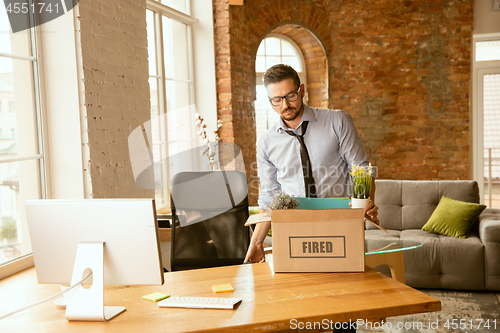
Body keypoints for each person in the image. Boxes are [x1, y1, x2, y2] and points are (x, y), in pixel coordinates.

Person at [245, 64, 379, 265]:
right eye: (277, 100)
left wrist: (366, 202)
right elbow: (270, 196)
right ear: (270, 101)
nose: (285, 105)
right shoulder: (266, 141)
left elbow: (360, 170)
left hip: (341, 224)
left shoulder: (338, 121)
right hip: (293, 229)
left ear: (302, 91)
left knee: (346, 289)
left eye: (291, 95)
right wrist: (256, 242)